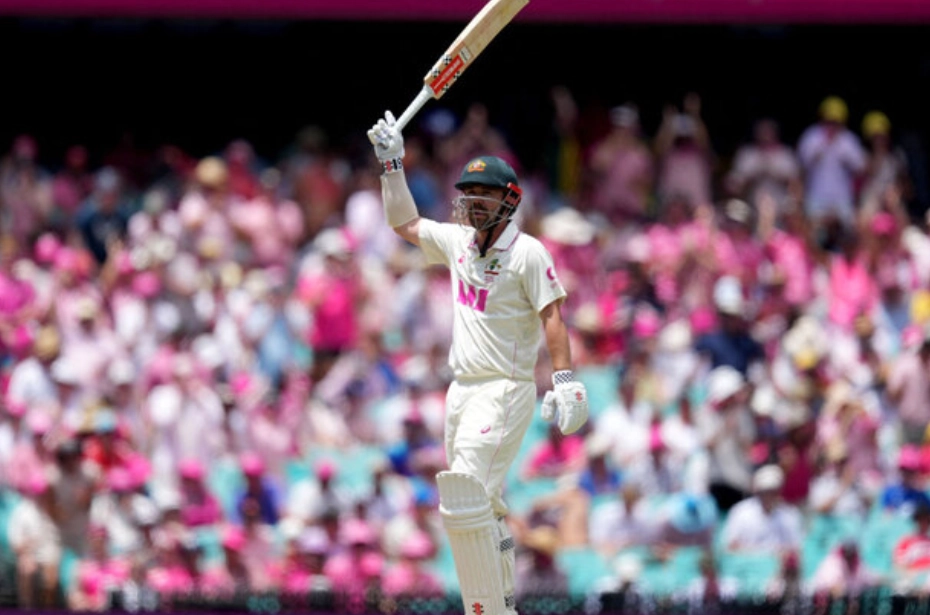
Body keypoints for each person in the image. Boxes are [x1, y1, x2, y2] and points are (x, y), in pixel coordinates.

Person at [368, 111, 589, 615]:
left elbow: (553, 315)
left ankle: (483, 609)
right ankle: (502, 603)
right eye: (466, 193)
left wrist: (564, 379)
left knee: (464, 493)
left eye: (482, 193)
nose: (470, 201)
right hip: (461, 390)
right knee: (482, 504)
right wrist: (392, 165)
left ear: (509, 200)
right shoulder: (459, 243)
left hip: (504, 388)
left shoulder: (528, 252)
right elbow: (404, 223)